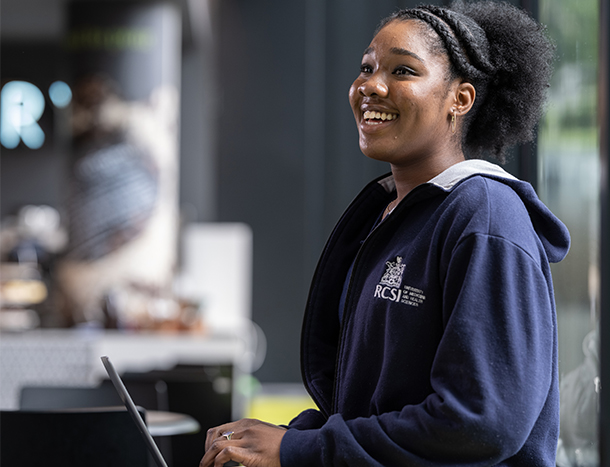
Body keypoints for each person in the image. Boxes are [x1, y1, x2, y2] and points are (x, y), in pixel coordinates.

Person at [200, 1, 571, 466]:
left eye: (403, 70)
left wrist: (304, 449)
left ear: (461, 99)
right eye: (367, 68)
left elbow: (479, 424)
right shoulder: (389, 215)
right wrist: (286, 437)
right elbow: (374, 404)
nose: (370, 86)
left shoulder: (487, 216)